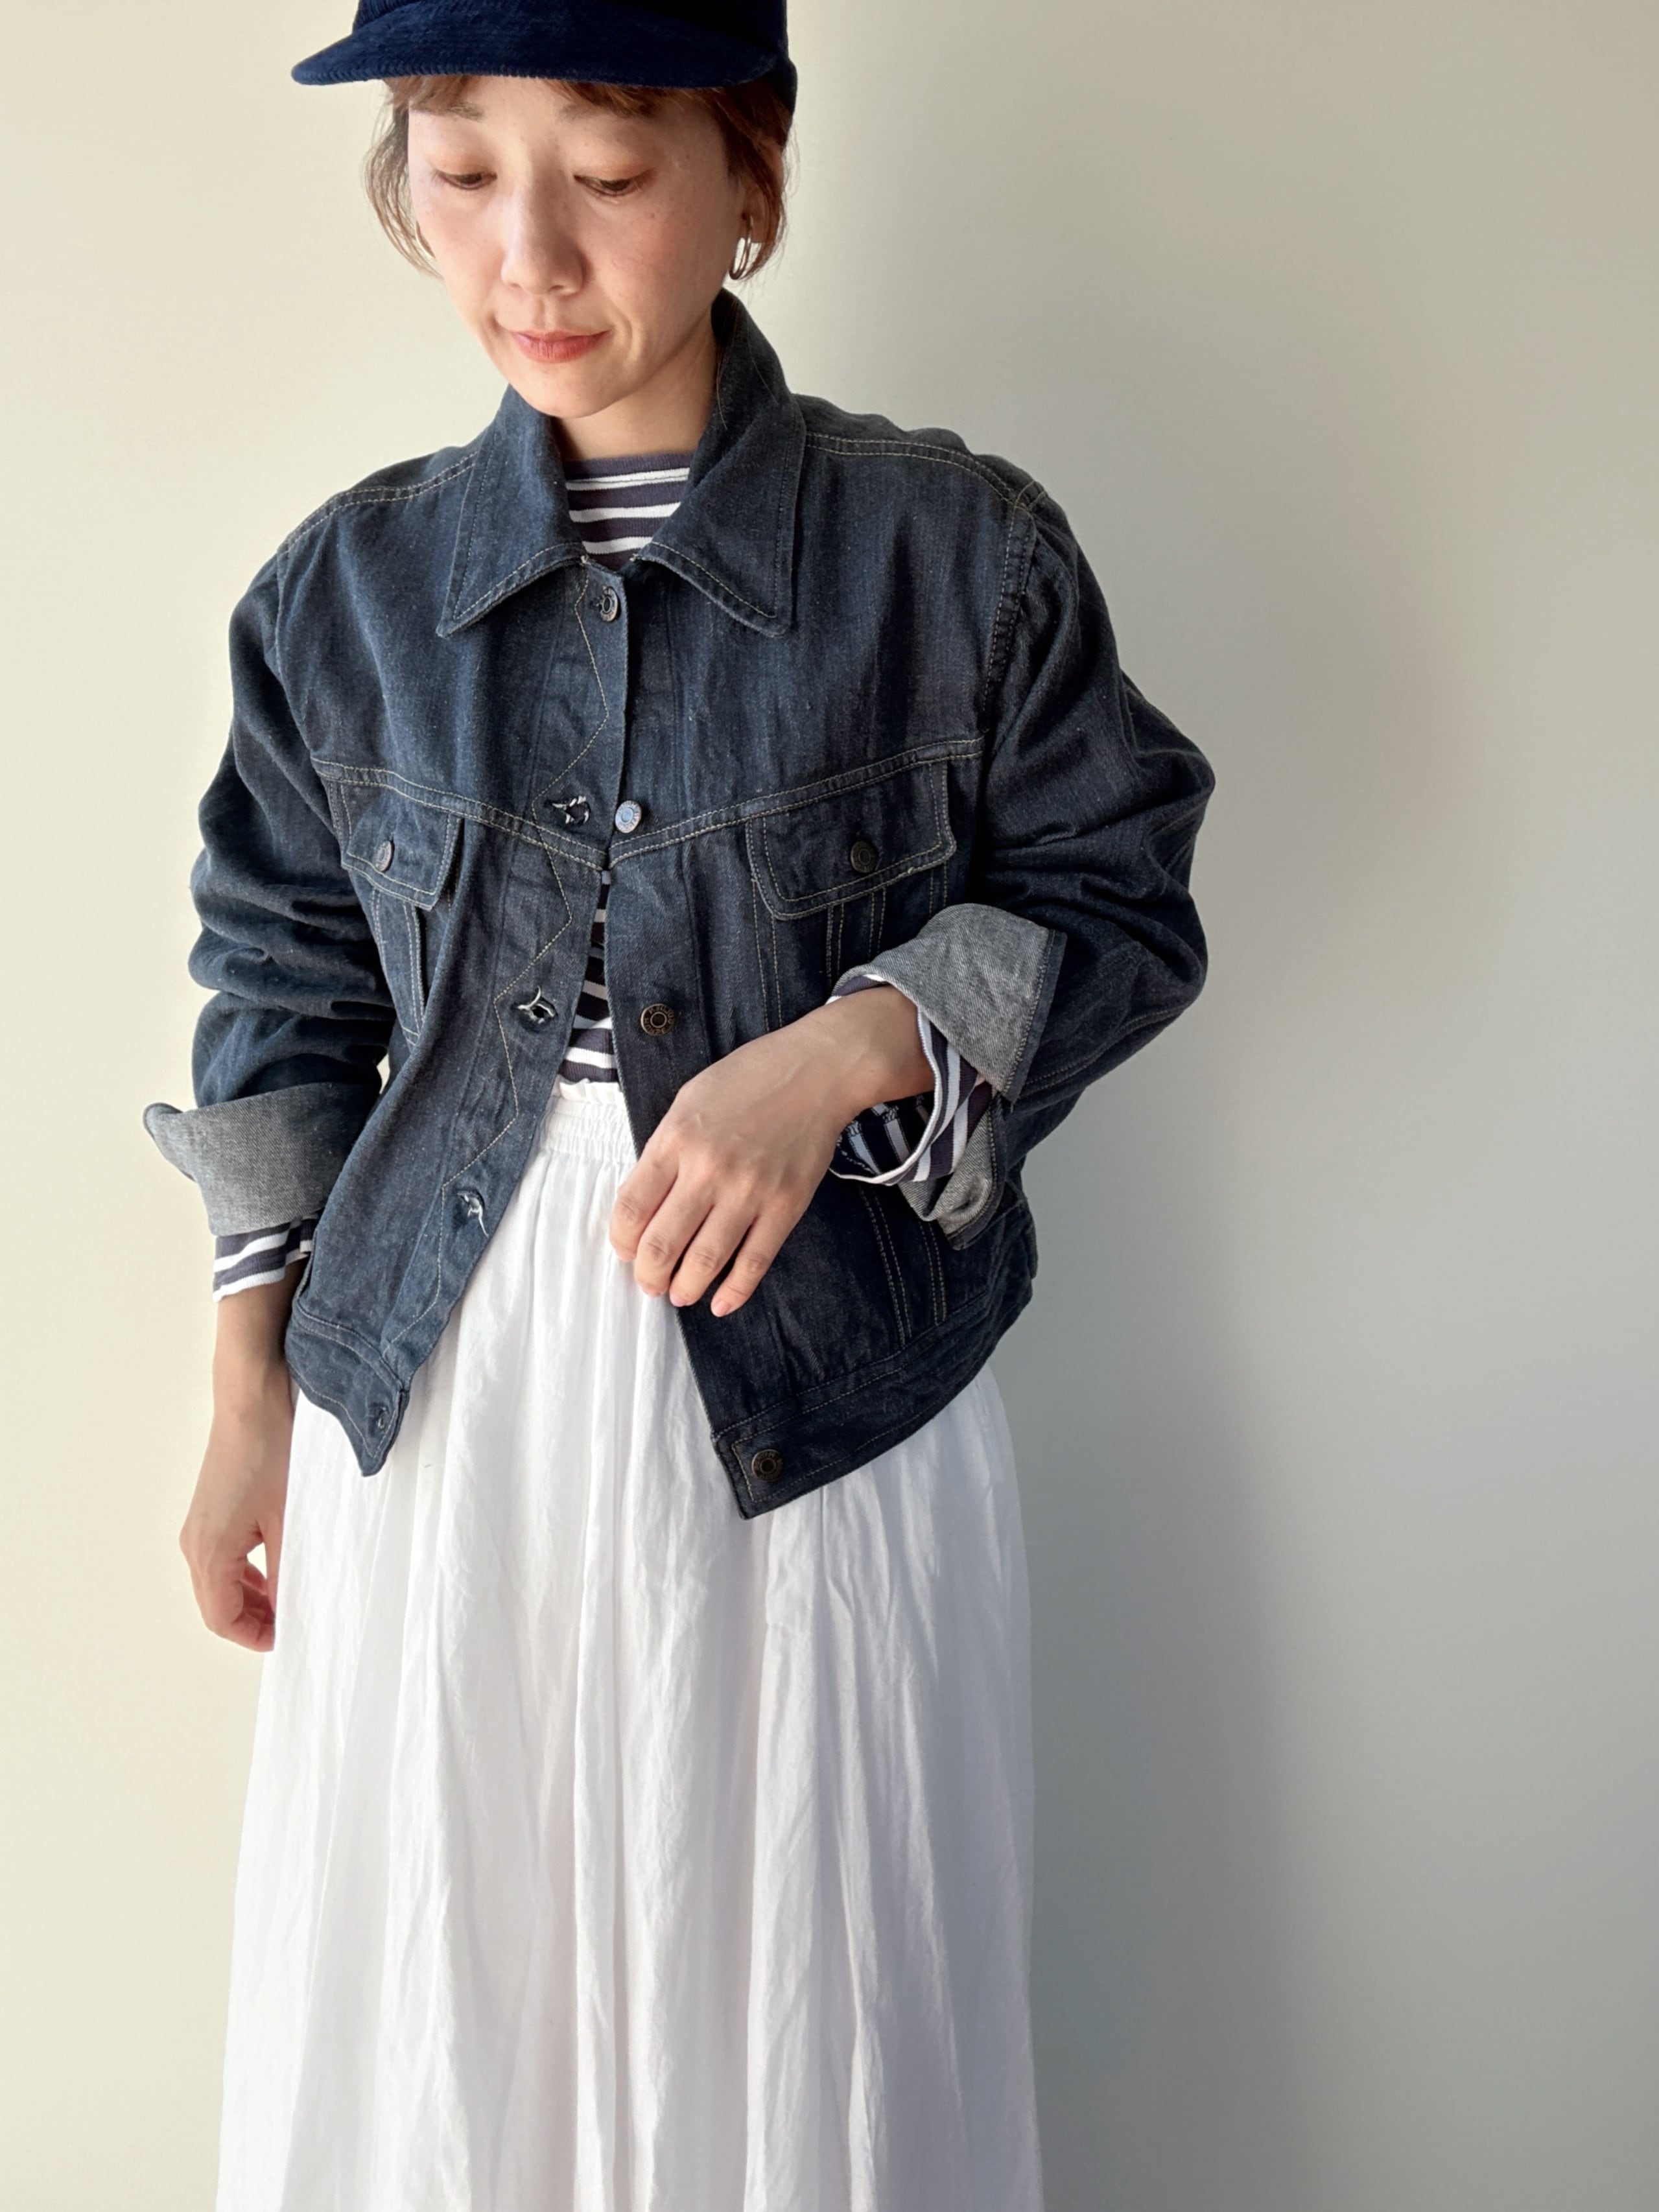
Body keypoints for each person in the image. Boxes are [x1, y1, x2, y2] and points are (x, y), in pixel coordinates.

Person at [143, 3, 1214, 2205]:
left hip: (819, 1406)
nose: (526, 253)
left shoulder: (958, 558)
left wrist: (848, 1048)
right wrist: (247, 1397)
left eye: (611, 175)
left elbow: (1117, 895)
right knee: (456, 2022)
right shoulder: (342, 597)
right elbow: (284, 990)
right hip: (438, 1405)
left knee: (810, 1994)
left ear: (752, 174)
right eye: (460, 171)